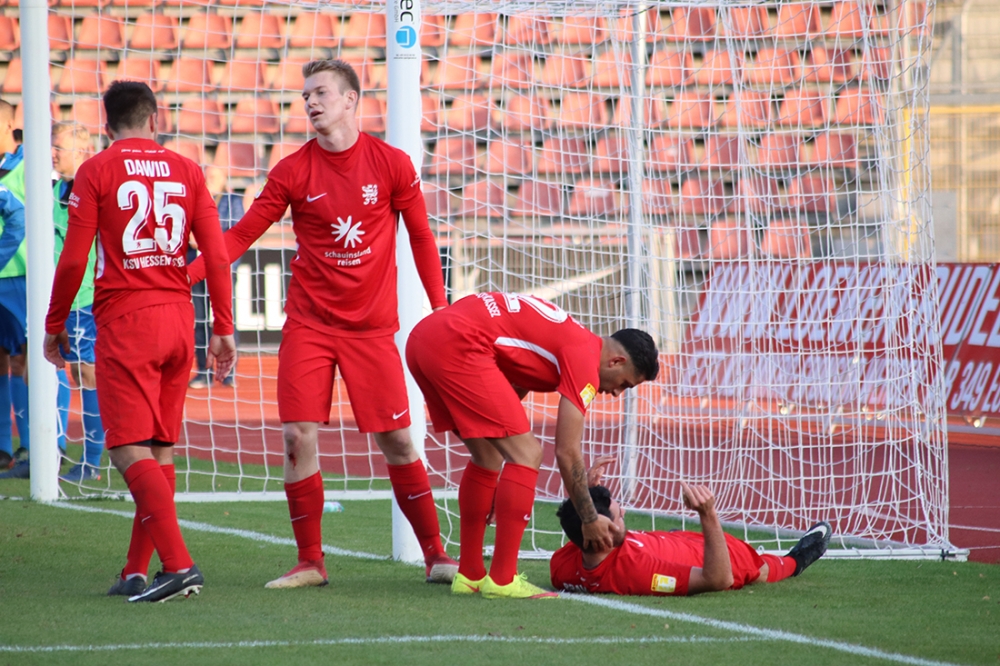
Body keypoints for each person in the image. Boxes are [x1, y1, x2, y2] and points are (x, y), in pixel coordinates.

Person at [187, 59, 457, 589]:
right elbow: (239, 236)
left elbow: (422, 237)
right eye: (305, 94)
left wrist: (441, 308)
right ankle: (310, 562)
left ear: (351, 99)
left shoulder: (392, 163)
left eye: (321, 92)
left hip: (371, 330)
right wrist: (185, 277)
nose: (310, 102)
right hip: (309, 325)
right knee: (296, 435)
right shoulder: (292, 171)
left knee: (399, 441)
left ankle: (436, 556)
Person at [43, 81, 237, 602]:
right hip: (179, 319)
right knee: (159, 448)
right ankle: (135, 568)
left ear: (107, 125)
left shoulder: (97, 169)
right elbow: (217, 256)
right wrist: (223, 327)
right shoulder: (189, 170)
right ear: (155, 120)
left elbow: (74, 259)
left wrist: (55, 321)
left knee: (127, 448)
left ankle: (179, 566)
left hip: (127, 320)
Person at [405, 291, 661, 599]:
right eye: (624, 384)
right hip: (458, 344)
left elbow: (513, 385)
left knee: (488, 455)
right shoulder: (585, 361)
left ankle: (470, 575)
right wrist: (589, 518)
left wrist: (506, 487)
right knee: (528, 453)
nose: (617, 393)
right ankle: (503, 580)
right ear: (616, 361)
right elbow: (566, 451)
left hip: (424, 339)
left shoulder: (570, 336)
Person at [550, 457, 832, 596]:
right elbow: (717, 580)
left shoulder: (562, 566)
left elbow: (576, 525)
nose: (623, 510)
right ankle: (796, 560)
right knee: (757, 569)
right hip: (707, 558)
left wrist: (585, 497)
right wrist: (708, 514)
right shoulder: (637, 572)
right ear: (602, 536)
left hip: (662, 540)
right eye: (617, 515)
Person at [51, 121, 106, 482]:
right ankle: (52, 449)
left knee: (89, 374)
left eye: (59, 147)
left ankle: (92, 460)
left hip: (87, 297)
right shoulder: (57, 189)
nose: (53, 154)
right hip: (61, 297)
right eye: (53, 146)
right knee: (66, 371)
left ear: (83, 151)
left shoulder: (95, 188)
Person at [188, 166, 242, 389]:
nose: (209, 180)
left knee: (226, 319)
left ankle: (228, 372)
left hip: (222, 270)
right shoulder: (193, 200)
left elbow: (237, 233)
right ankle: (203, 372)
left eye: (213, 177)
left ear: (224, 180)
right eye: (207, 176)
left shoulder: (232, 201)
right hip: (196, 268)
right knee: (200, 321)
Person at [0, 99, 29, 474]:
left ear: (9, 126)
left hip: (21, 275)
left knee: (25, 359)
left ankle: (34, 446)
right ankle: (2, 448)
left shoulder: (28, 166)